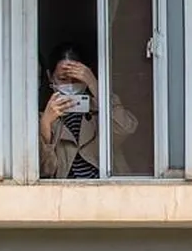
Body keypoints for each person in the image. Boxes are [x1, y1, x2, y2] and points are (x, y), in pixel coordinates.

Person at [39, 42, 138, 179]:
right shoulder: (43, 118)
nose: (70, 85)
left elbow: (125, 128)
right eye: (63, 79)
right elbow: (43, 171)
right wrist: (45, 124)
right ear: (50, 77)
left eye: (77, 79)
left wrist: (96, 86)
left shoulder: (102, 108)